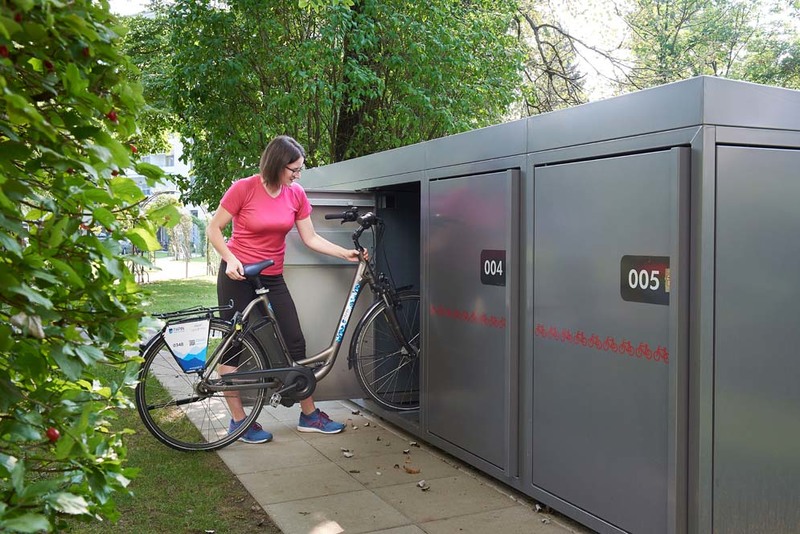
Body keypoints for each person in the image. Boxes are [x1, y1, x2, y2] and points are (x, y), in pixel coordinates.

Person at [207, 135, 360, 443]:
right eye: (294, 169)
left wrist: (345, 253)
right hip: (237, 275)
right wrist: (230, 259)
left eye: (300, 169)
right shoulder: (244, 188)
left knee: (294, 340)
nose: (298, 175)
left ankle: (309, 415)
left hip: (272, 276)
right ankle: (240, 421)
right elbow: (214, 228)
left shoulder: (296, 194)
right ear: (277, 164)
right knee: (236, 342)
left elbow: (310, 237)